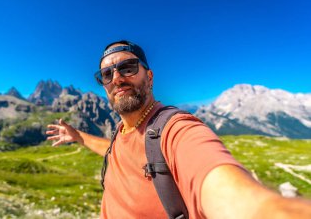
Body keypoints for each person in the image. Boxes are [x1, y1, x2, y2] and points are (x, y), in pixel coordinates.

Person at [46, 40, 311, 219]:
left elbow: (235, 196)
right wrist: (78, 137)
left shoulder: (175, 129)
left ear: (148, 77)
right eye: (107, 74)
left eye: (127, 67)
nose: (117, 78)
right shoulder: (120, 131)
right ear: (104, 86)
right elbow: (115, 151)